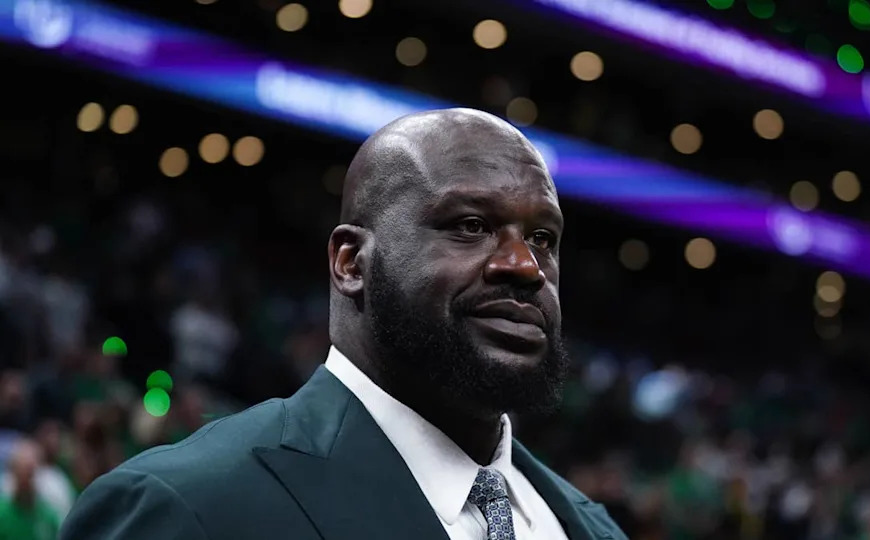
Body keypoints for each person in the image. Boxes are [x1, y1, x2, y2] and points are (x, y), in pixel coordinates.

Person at [59, 108, 628, 540]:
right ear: (351, 263)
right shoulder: (186, 507)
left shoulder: (593, 529)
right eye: (471, 226)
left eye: (543, 238)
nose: (525, 266)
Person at [0, 439, 60, 540]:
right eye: (21, 473)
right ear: (13, 474)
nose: (26, 481)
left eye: (30, 474)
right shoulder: (2, 514)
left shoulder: (48, 517)